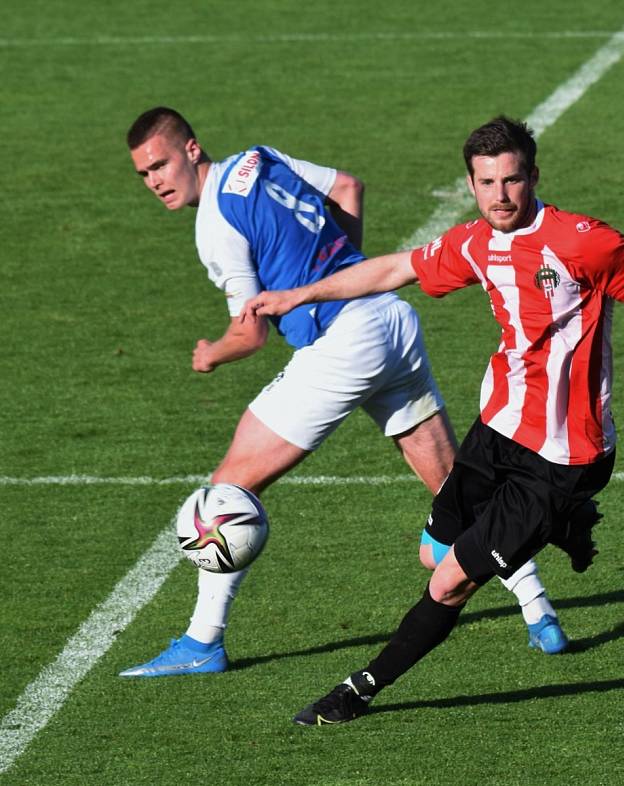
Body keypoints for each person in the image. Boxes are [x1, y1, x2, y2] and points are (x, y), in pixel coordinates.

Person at [242, 115, 624, 724]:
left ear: (533, 177)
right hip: (497, 428)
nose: (501, 195)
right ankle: (567, 526)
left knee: (447, 582)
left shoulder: (581, 240)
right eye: (487, 182)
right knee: (432, 552)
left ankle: (358, 689)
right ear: (471, 185)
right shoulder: (475, 242)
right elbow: (394, 269)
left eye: (513, 179)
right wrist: (296, 296)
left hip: (560, 459)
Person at [119, 108, 567, 678]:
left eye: (160, 164)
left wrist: (212, 352)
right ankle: (538, 610)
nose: (155, 180)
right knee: (454, 488)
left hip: (343, 342)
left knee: (227, 492)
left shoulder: (214, 226)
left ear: (191, 149)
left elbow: (250, 331)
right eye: (144, 174)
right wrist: (342, 272)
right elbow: (349, 187)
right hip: (390, 319)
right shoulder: (258, 159)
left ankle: (203, 641)